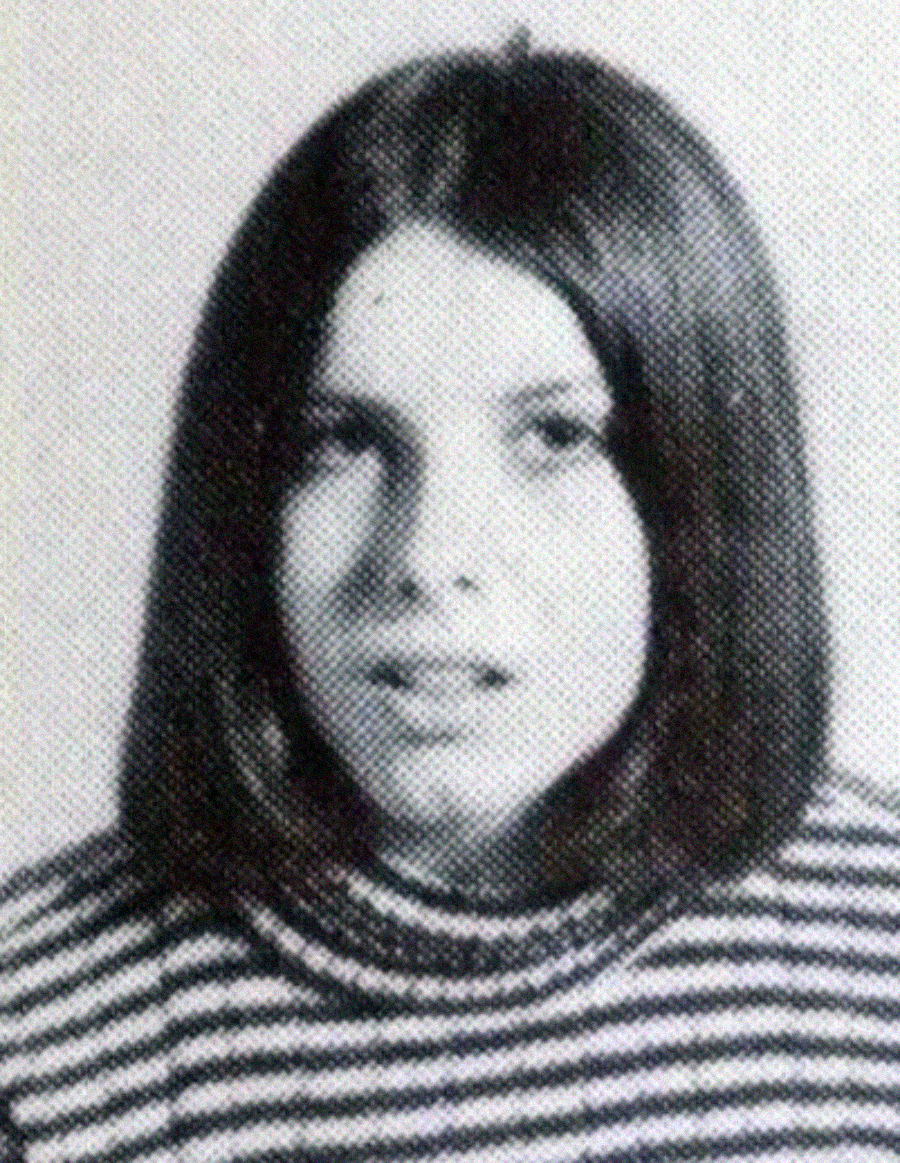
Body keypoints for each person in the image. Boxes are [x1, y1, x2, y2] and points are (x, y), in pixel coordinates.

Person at [2, 43, 899, 1163]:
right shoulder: (39, 1039)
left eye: (555, 437)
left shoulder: (879, 957)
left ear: (704, 492)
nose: (428, 555)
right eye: (342, 442)